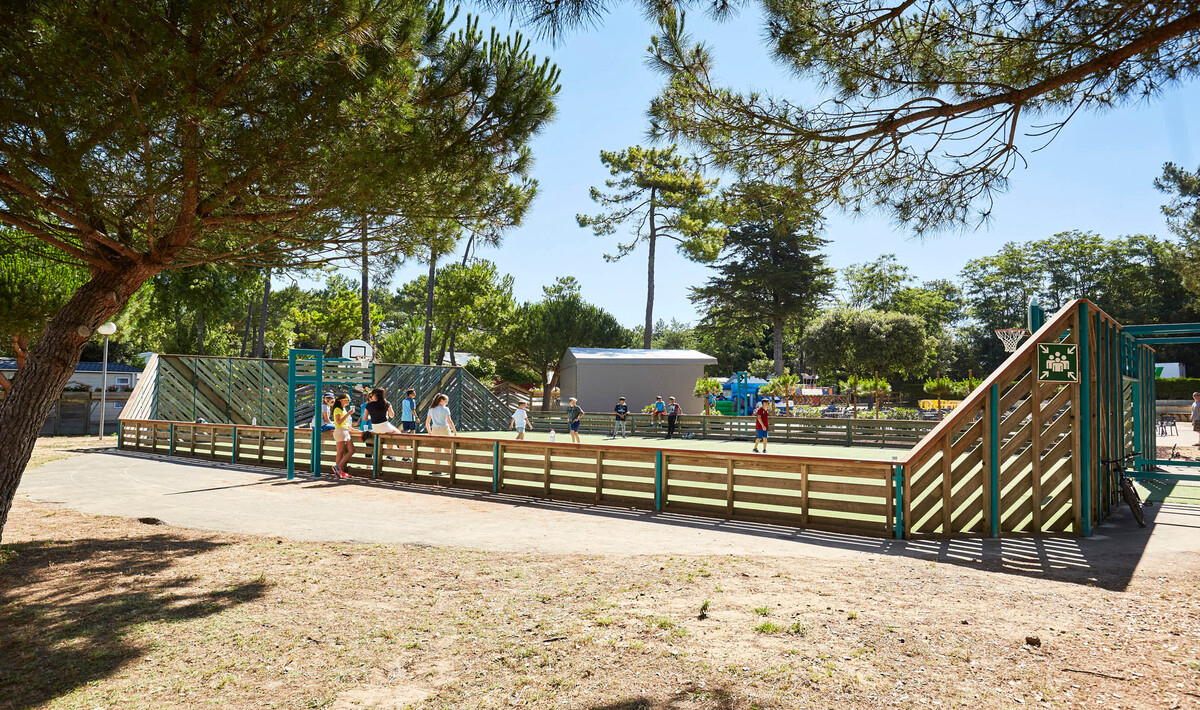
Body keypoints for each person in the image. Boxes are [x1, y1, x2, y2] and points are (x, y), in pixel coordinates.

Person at [363, 388, 402, 460]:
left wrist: (372, 416)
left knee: (389, 435)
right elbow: (392, 415)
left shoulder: (369, 405)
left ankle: (390, 455)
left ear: (374, 395)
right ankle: (404, 457)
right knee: (399, 434)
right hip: (385, 425)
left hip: (375, 428)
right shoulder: (386, 403)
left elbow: (364, 418)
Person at [424, 393, 457, 475]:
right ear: (441, 400)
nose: (447, 402)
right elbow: (449, 421)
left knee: (437, 450)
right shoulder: (445, 409)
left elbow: (427, 422)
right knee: (447, 450)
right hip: (444, 429)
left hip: (435, 429)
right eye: (446, 401)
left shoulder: (431, 409)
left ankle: (436, 469)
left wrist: (429, 432)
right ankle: (450, 469)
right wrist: (454, 431)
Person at [330, 393, 356, 478]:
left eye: (349, 400)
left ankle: (338, 468)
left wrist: (354, 430)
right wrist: (348, 414)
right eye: (347, 400)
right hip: (340, 431)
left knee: (351, 450)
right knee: (340, 452)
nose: (349, 401)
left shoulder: (343, 409)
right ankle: (338, 470)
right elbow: (338, 422)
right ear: (341, 400)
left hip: (345, 431)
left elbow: (345, 423)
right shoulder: (338, 409)